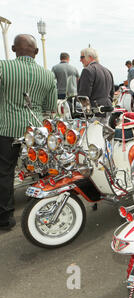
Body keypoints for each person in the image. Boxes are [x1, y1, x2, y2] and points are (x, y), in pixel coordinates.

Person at [0, 34, 57, 230]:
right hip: (36, 129)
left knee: (4, 173)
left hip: (7, 127)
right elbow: (51, 107)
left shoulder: (3, 67)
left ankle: (5, 219)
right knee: (43, 169)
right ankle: (45, 209)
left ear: (14, 50)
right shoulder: (48, 75)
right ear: (36, 52)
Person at [78, 48, 115, 120]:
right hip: (108, 108)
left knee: (92, 131)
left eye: (82, 57)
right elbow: (112, 92)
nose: (80, 60)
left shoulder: (87, 70)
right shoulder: (107, 71)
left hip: (95, 110)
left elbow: (83, 95)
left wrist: (85, 111)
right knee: (104, 130)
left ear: (90, 57)